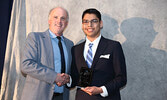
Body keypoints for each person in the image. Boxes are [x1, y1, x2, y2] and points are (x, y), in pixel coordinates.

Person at [70, 8, 127, 100]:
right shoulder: (75, 49)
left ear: (101, 24)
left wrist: (101, 90)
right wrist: (67, 79)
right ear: (82, 25)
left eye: (94, 21)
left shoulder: (113, 46)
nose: (90, 25)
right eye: (86, 21)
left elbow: (121, 78)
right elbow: (75, 78)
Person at [21, 7, 73, 100]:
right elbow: (26, 65)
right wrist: (54, 77)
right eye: (55, 17)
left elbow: (70, 70)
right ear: (49, 20)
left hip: (62, 97)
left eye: (63, 18)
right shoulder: (35, 38)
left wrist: (68, 79)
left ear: (67, 23)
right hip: (37, 96)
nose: (59, 21)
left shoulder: (70, 44)